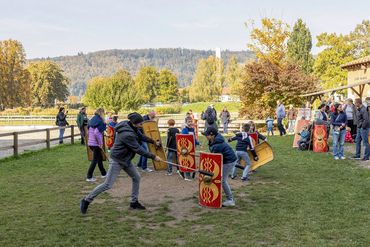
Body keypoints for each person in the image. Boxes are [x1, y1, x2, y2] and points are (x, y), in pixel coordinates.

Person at [80, 112, 162, 214]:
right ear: (134, 123)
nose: (142, 125)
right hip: (117, 160)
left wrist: (153, 141)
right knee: (107, 184)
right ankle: (86, 200)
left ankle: (134, 202)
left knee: (136, 177)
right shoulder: (127, 134)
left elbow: (141, 136)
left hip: (126, 159)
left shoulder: (132, 127)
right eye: (140, 124)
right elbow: (138, 149)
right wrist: (154, 157)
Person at [202, 127, 237, 207]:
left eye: (207, 135)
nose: (206, 136)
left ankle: (230, 200)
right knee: (219, 178)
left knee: (222, 180)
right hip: (225, 159)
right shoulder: (214, 141)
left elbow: (215, 159)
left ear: (212, 135)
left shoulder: (217, 145)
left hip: (228, 161)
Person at [86, 108, 107, 182]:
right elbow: (96, 132)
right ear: (102, 113)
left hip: (91, 143)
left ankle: (104, 173)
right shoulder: (100, 121)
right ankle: (89, 176)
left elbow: (89, 131)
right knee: (95, 160)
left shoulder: (92, 120)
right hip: (95, 144)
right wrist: (100, 143)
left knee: (99, 158)